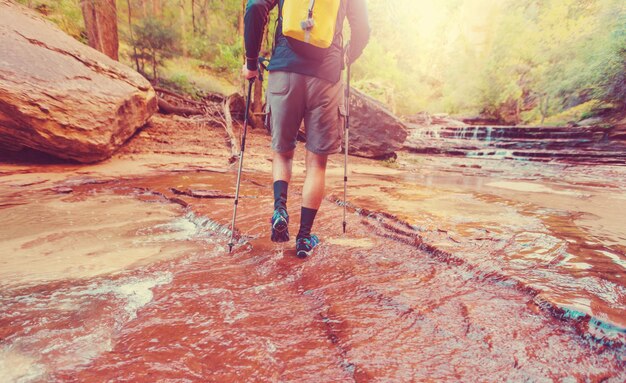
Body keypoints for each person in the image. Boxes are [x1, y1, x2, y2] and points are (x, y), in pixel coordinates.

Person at [243, 0, 370, 258]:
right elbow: (363, 29)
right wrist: (345, 57)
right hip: (326, 77)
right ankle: (303, 238)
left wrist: (251, 62)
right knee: (316, 162)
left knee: (282, 151)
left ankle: (280, 210)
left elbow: (255, 6)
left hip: (284, 70)